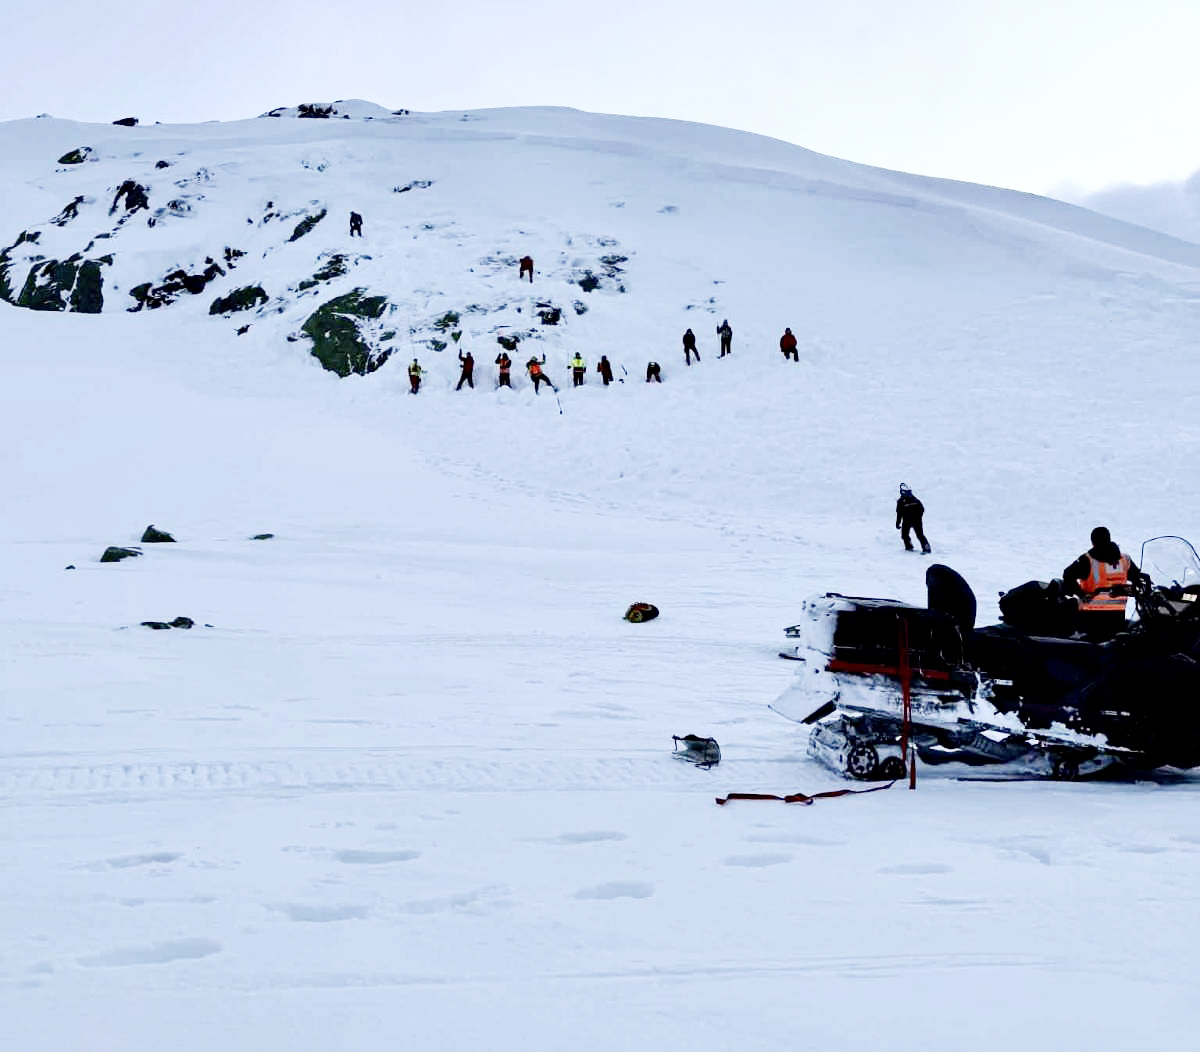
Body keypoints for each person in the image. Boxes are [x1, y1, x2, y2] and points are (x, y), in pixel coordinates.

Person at [1063, 526, 1142, 641]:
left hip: (1090, 619)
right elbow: (1137, 578)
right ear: (1109, 539)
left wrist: (1081, 594)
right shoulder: (1125, 560)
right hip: (1117, 617)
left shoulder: (1088, 560)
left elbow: (1068, 575)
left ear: (1093, 542)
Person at [895, 483, 931, 554]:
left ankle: (926, 548)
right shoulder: (900, 501)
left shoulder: (915, 500)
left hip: (916, 521)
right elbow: (899, 513)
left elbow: (922, 509)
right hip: (906, 521)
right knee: (904, 535)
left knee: (920, 535)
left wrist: (918, 517)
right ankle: (909, 546)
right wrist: (898, 523)